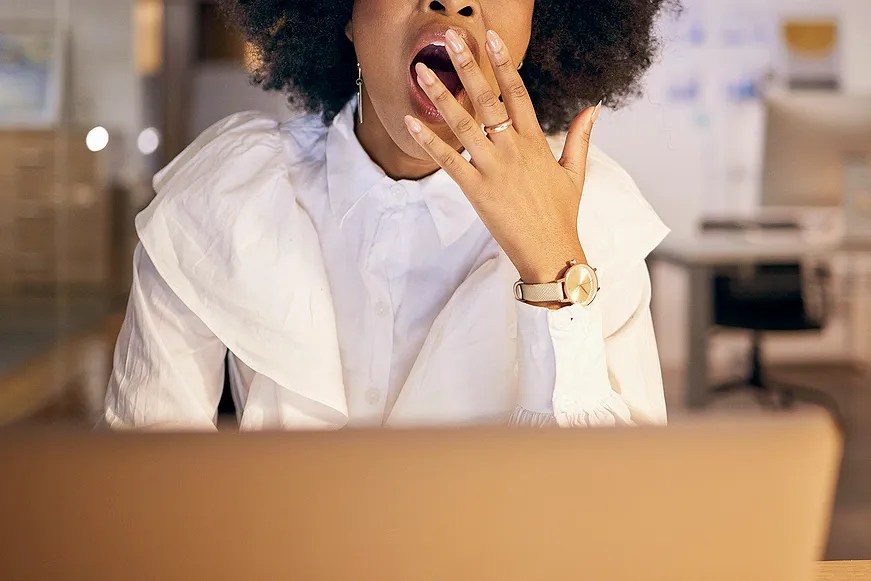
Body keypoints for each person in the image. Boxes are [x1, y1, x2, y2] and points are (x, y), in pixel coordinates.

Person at [104, 0, 674, 430]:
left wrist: (554, 268)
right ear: (345, 13)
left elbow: (611, 514)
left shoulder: (595, 216)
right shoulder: (225, 196)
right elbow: (144, 493)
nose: (452, 2)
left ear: (540, 22)